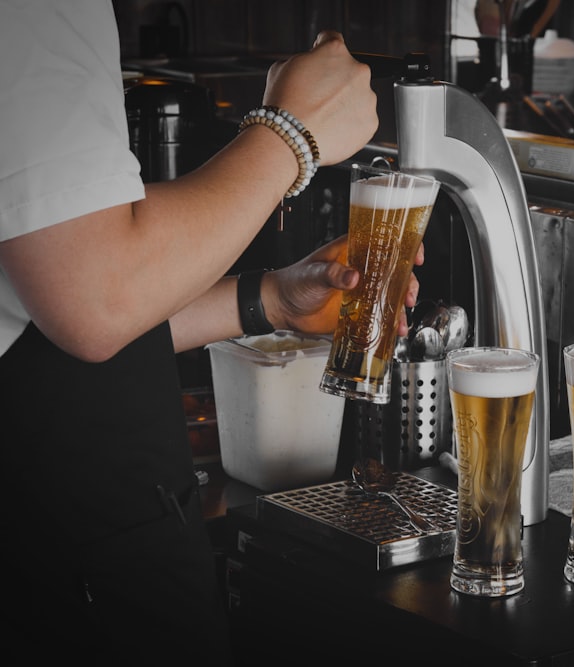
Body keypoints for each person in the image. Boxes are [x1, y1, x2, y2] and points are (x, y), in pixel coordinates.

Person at [0, 1, 421, 664]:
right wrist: (291, 135)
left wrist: (270, 301)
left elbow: (49, 292)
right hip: (64, 564)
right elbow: (97, 295)